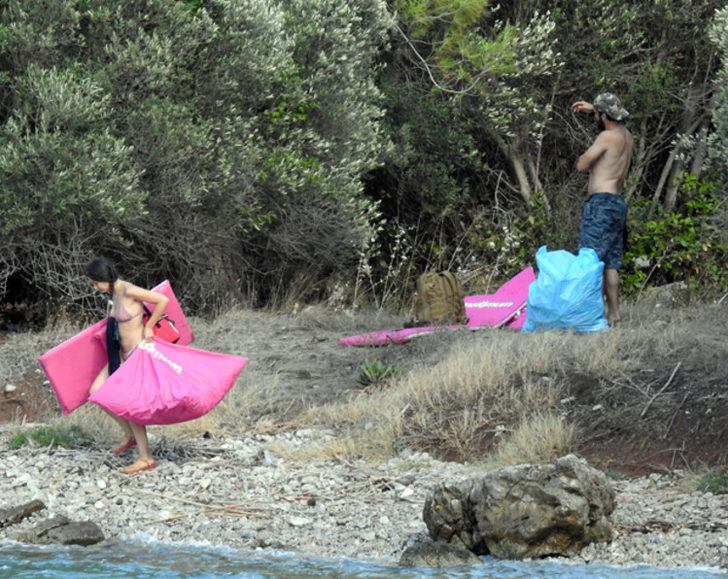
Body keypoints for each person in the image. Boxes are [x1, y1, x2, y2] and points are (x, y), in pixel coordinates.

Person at [86, 257, 169, 474]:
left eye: (96, 283)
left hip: (137, 354)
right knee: (96, 392)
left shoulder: (129, 290)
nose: (95, 288)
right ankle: (130, 434)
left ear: (105, 278)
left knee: (130, 405)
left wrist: (149, 326)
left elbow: (161, 300)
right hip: (120, 355)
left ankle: (146, 458)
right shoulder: (113, 295)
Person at [571, 92, 633, 326]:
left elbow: (582, 164)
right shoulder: (627, 136)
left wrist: (584, 158)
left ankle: (591, 314)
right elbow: (610, 121)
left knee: (590, 258)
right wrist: (593, 110)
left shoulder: (607, 137)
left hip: (601, 204)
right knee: (611, 261)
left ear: (604, 116)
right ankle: (614, 313)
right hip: (617, 203)